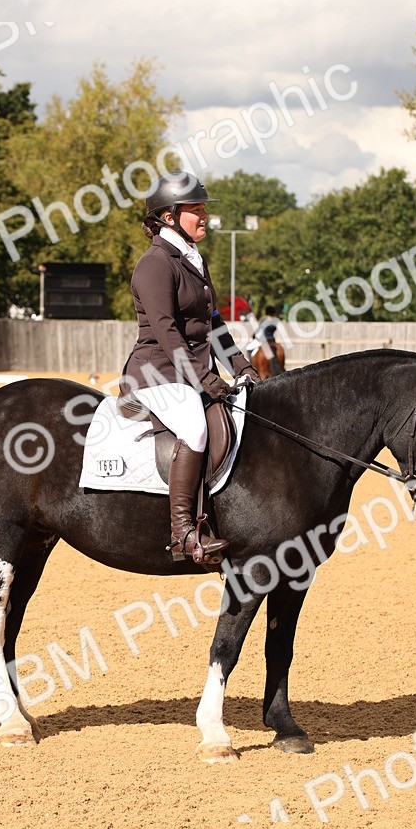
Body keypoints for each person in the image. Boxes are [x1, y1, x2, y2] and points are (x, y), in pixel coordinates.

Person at [119, 172, 260, 563]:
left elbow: (213, 323)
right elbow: (165, 330)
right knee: (195, 426)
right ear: (168, 216)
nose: (204, 217)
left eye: (203, 210)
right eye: (195, 210)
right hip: (155, 375)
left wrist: (241, 366)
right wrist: (202, 377)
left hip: (191, 376)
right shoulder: (155, 264)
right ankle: (183, 533)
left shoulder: (193, 261)